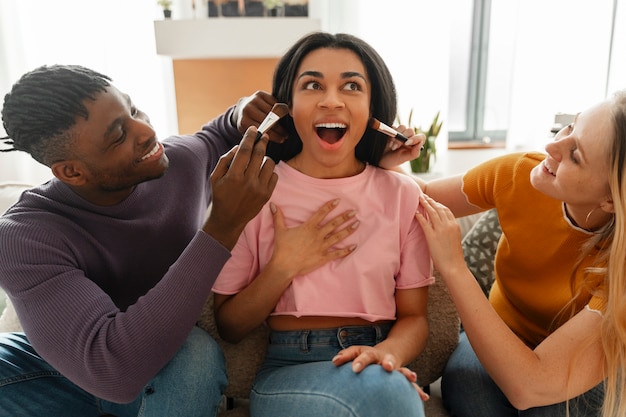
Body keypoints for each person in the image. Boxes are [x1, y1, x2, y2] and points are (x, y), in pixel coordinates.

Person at [0, 64, 282, 417]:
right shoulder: (23, 236)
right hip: (53, 371)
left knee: (194, 352)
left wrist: (240, 111)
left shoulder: (178, 163)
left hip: (160, 368)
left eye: (132, 109)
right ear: (72, 171)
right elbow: (111, 370)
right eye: (118, 136)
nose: (147, 131)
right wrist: (223, 228)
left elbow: (217, 134)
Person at [211, 32, 431, 417]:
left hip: (378, 360)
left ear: (372, 109)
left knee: (389, 395)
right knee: (392, 399)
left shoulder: (402, 195)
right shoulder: (256, 192)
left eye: (351, 86)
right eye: (312, 85)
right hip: (291, 367)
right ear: (289, 107)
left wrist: (387, 354)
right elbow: (229, 325)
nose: (332, 100)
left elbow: (414, 317)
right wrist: (284, 267)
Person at [412, 91, 626, 417]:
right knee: (466, 385)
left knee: (552, 409)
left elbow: (530, 386)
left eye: (576, 155)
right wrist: (385, 156)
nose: (552, 146)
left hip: (573, 361)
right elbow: (425, 196)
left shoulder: (620, 267)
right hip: (503, 328)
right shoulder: (519, 173)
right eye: (570, 127)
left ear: (610, 199)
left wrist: (453, 265)